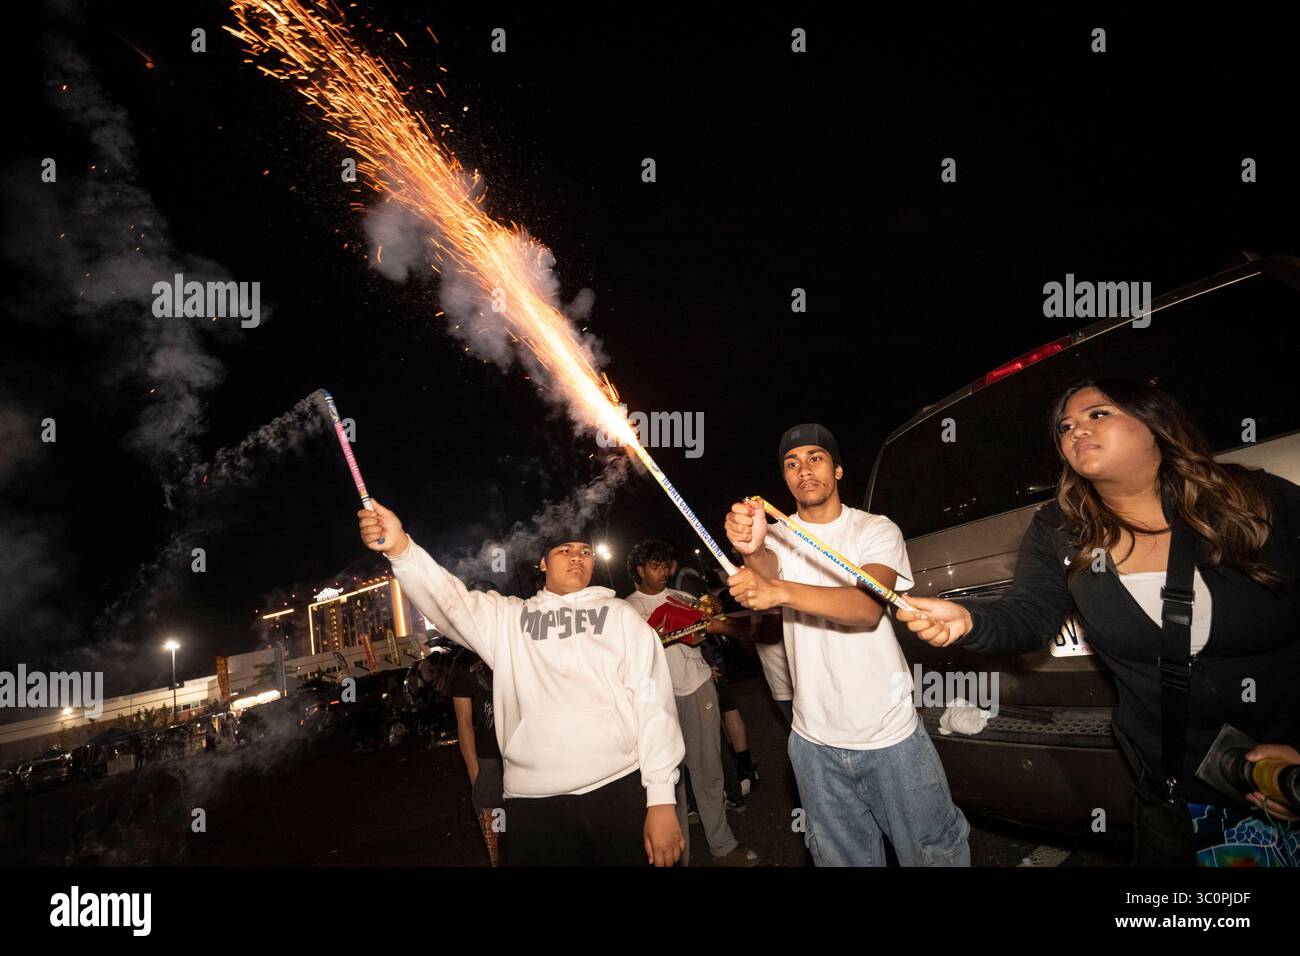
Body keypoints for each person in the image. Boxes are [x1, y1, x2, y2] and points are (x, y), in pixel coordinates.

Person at [897, 379, 1300, 866]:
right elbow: (1029, 614)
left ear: (1155, 423)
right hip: (1182, 790)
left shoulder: (1252, 500)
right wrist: (968, 619)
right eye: (1066, 426)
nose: (1076, 431)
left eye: (1099, 415)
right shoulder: (1061, 527)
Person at [358, 502, 685, 866]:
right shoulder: (509, 620)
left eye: (585, 552)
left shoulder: (622, 616)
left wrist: (660, 799)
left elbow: (654, 705)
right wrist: (401, 548)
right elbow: (449, 601)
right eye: (564, 550)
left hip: (619, 790)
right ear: (543, 563)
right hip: (534, 806)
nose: (577, 557)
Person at [725, 423, 971, 866]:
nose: (804, 470)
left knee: (934, 854)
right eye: (791, 463)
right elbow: (765, 568)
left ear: (838, 470)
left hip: (889, 735)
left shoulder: (875, 529)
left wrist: (780, 591)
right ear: (784, 478)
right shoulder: (780, 534)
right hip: (812, 741)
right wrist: (750, 547)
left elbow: (866, 607)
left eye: (815, 458)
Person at [624, 539, 760, 866]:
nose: (663, 572)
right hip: (657, 700)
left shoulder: (681, 597)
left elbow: (707, 626)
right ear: (640, 570)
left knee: (708, 771)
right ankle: (677, 855)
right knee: (667, 779)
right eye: (655, 566)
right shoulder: (626, 609)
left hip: (698, 688)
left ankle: (723, 846)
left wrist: (740, 631)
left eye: (666, 565)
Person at [447, 579, 506, 866]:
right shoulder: (462, 662)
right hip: (489, 762)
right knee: (499, 846)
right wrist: (475, 774)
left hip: (527, 755)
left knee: (538, 835)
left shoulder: (513, 643)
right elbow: (464, 723)